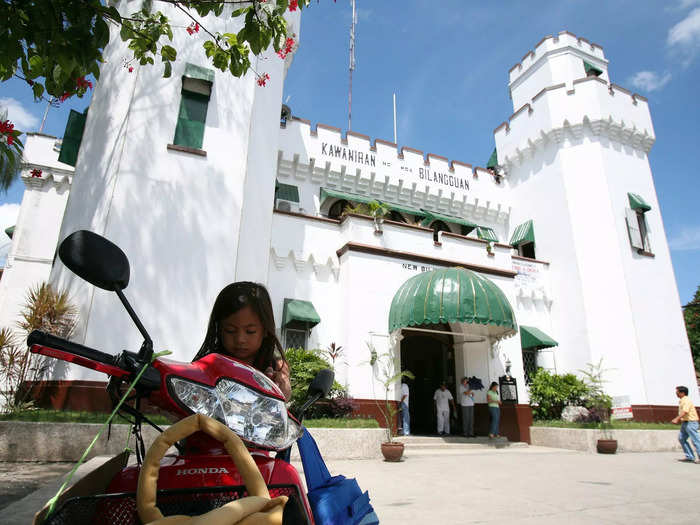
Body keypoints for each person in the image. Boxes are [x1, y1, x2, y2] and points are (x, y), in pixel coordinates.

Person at [193, 281, 291, 401]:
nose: (240, 339)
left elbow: (282, 405)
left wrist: (281, 392)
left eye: (250, 331)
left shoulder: (275, 368)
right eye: (230, 330)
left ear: (265, 330)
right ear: (219, 329)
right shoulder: (207, 366)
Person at [671, 385, 700, 463]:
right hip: (685, 422)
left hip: (691, 422)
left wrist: (676, 419)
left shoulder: (686, 400)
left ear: (682, 393)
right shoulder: (682, 400)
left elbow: (685, 411)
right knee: (681, 438)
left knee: (696, 440)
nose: (676, 393)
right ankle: (690, 456)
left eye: (677, 392)